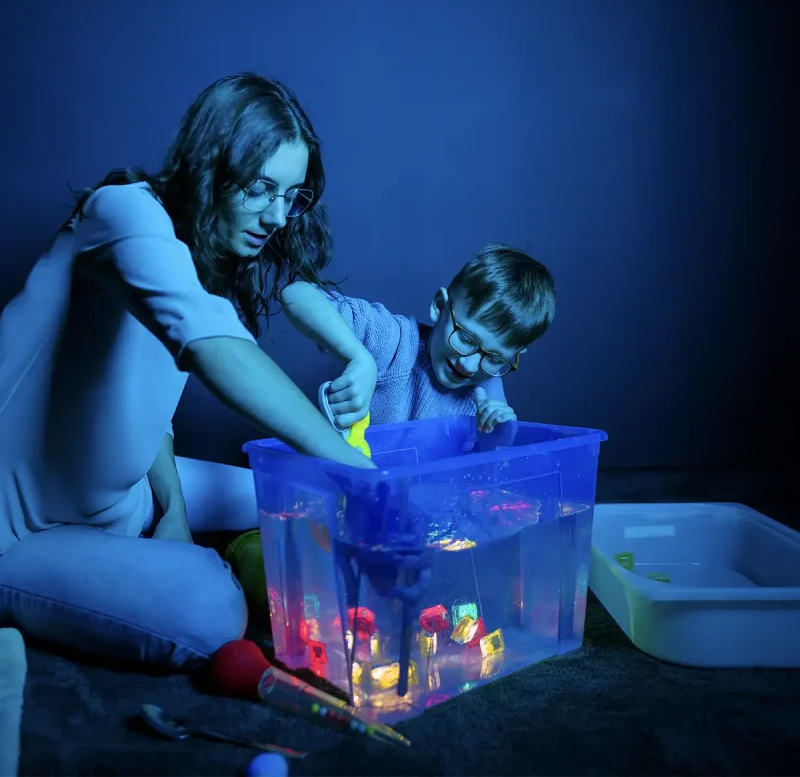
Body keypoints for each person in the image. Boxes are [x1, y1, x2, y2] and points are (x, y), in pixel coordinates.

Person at [0, 73, 373, 670]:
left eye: (291, 195)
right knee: (211, 612)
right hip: (20, 532)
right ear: (213, 165)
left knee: (294, 495)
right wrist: (353, 468)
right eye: (259, 187)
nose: (277, 214)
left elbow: (151, 412)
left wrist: (172, 508)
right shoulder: (121, 212)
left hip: (123, 500)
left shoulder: (203, 261)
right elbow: (213, 348)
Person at [280, 243, 556, 432]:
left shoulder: (488, 387)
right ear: (439, 306)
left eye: (495, 357)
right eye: (467, 339)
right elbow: (297, 295)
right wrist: (360, 357)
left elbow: (483, 478)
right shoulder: (394, 340)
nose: (470, 366)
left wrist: (498, 440)